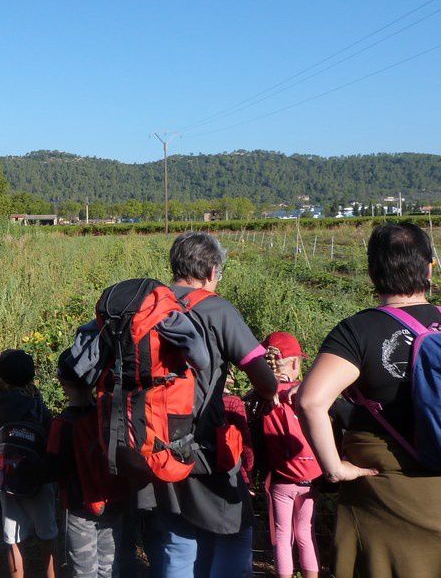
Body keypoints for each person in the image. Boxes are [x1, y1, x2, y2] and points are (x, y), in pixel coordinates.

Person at [298, 223, 441, 578]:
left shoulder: (357, 331)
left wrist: (334, 468)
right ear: (430, 267)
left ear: (372, 271)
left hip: (385, 490)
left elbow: (311, 401)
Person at [143, 232, 278, 578]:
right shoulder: (216, 308)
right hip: (204, 446)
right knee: (235, 531)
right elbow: (264, 378)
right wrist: (267, 392)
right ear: (213, 269)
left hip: (155, 440)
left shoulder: (150, 306)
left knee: (178, 536)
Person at [47, 349, 133, 578]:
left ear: (62, 384)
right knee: (109, 566)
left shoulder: (62, 424)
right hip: (113, 499)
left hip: (80, 505)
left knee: (84, 569)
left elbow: (54, 469)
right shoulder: (110, 416)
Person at [0, 348, 57, 578]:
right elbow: (49, 434)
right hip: (37, 477)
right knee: (48, 535)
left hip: (7, 477)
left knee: (13, 539)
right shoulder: (35, 401)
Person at [253, 332, 320, 578]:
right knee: (306, 533)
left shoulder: (261, 398)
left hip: (281, 481)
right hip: (310, 478)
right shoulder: (308, 394)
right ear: (295, 363)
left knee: (282, 537)